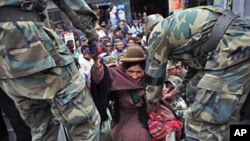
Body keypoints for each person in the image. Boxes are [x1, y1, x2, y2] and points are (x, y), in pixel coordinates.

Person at [143, 6, 250, 141]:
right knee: (195, 89)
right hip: (238, 38)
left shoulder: (157, 32)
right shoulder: (176, 28)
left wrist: (151, 104)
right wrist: (177, 91)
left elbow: (154, 76)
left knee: (200, 126)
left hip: (235, 43)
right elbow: (196, 69)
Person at [0, 1, 100, 140]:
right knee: (85, 122)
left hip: (4, 66)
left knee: (41, 129)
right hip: (29, 39)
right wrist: (91, 33)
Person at [91, 46, 152, 141]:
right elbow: (100, 76)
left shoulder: (150, 78)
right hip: (122, 118)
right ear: (124, 70)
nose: (135, 76)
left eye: (139, 72)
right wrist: (96, 61)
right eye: (130, 71)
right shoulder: (118, 76)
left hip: (143, 117)